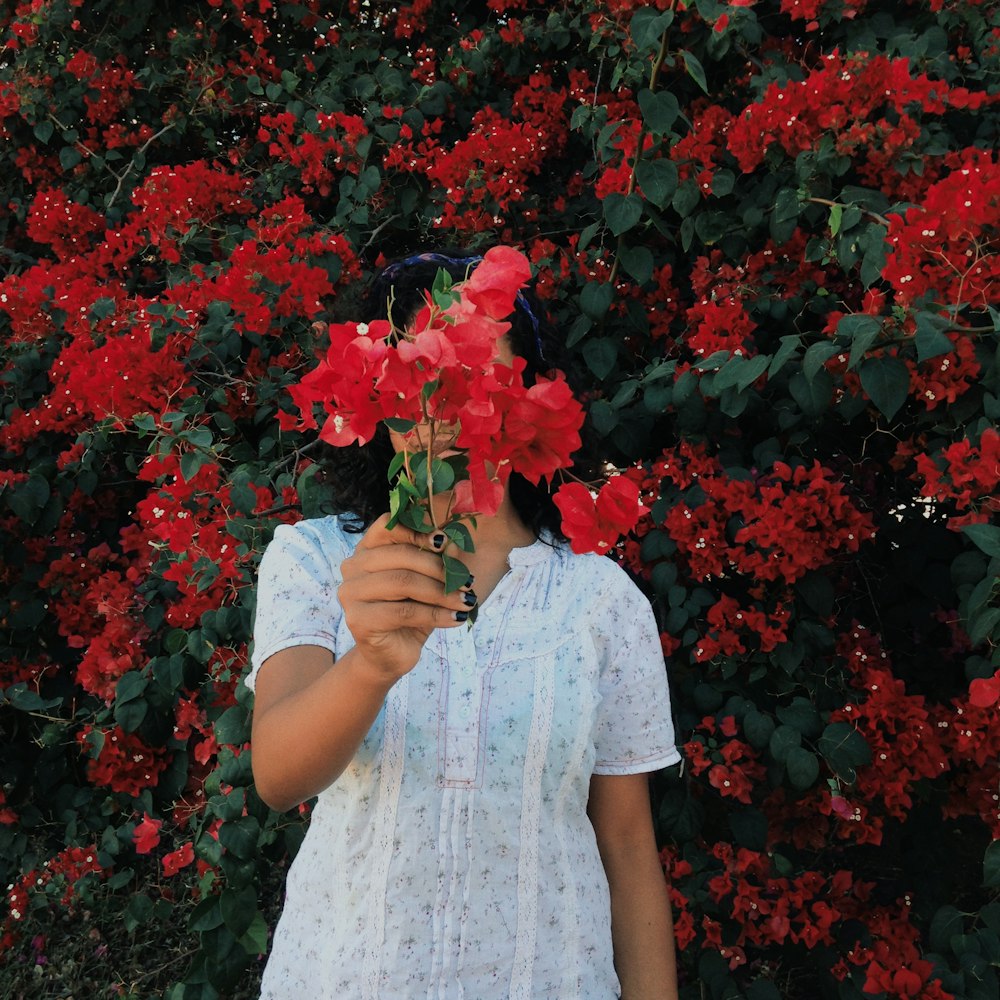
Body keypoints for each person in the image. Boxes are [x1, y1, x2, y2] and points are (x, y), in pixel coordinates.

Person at [246, 251, 682, 999]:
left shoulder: (600, 601)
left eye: (479, 377)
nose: (447, 410)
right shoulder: (315, 562)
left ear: (528, 391)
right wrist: (372, 663)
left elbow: (626, 840)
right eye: (425, 378)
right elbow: (280, 776)